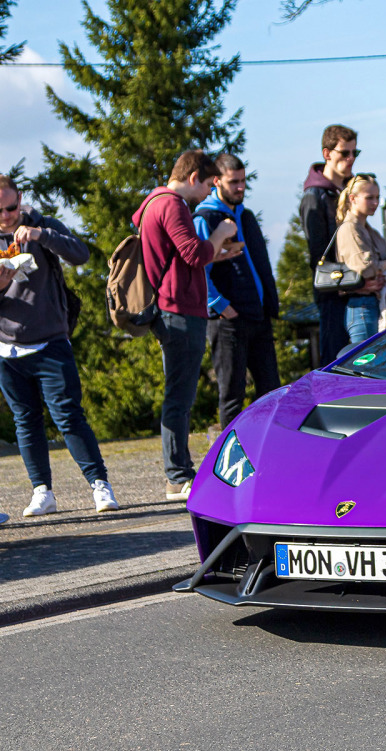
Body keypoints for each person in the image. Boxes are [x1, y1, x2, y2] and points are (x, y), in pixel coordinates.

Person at [0, 175, 119, 520]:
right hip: (8, 349)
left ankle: (99, 484)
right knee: (26, 421)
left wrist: (41, 235)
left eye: (11, 207)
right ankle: (42, 491)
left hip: (51, 340)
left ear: (20, 198)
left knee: (68, 415)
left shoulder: (42, 225)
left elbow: (80, 254)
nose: (6, 216)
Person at [133, 149, 238, 501]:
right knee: (180, 395)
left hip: (171, 308)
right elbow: (194, 254)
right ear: (193, 177)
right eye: (208, 185)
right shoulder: (172, 204)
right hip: (178, 311)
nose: (208, 193)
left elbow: (182, 256)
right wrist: (219, 233)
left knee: (179, 393)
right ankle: (177, 476)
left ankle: (177, 473)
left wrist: (216, 251)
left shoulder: (154, 203)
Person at [193, 153, 281, 431]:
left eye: (243, 181)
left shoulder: (247, 216)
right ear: (216, 181)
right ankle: (231, 451)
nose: (241, 187)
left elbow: (261, 265)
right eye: (234, 182)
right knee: (232, 393)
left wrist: (269, 302)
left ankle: (270, 445)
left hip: (258, 315)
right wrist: (220, 305)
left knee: (271, 389)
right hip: (228, 321)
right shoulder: (205, 218)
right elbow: (198, 268)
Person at [300, 124, 358, 364]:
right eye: (344, 153)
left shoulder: (350, 190)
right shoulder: (314, 196)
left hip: (356, 289)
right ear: (327, 154)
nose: (351, 158)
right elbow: (319, 255)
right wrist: (343, 282)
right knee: (336, 363)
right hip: (334, 293)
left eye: (355, 152)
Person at [333, 174, 386, 343]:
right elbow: (364, 268)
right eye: (369, 198)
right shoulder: (350, 229)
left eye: (377, 198)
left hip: (372, 304)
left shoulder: (367, 229)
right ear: (353, 198)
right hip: (362, 307)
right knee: (367, 359)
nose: (375, 203)